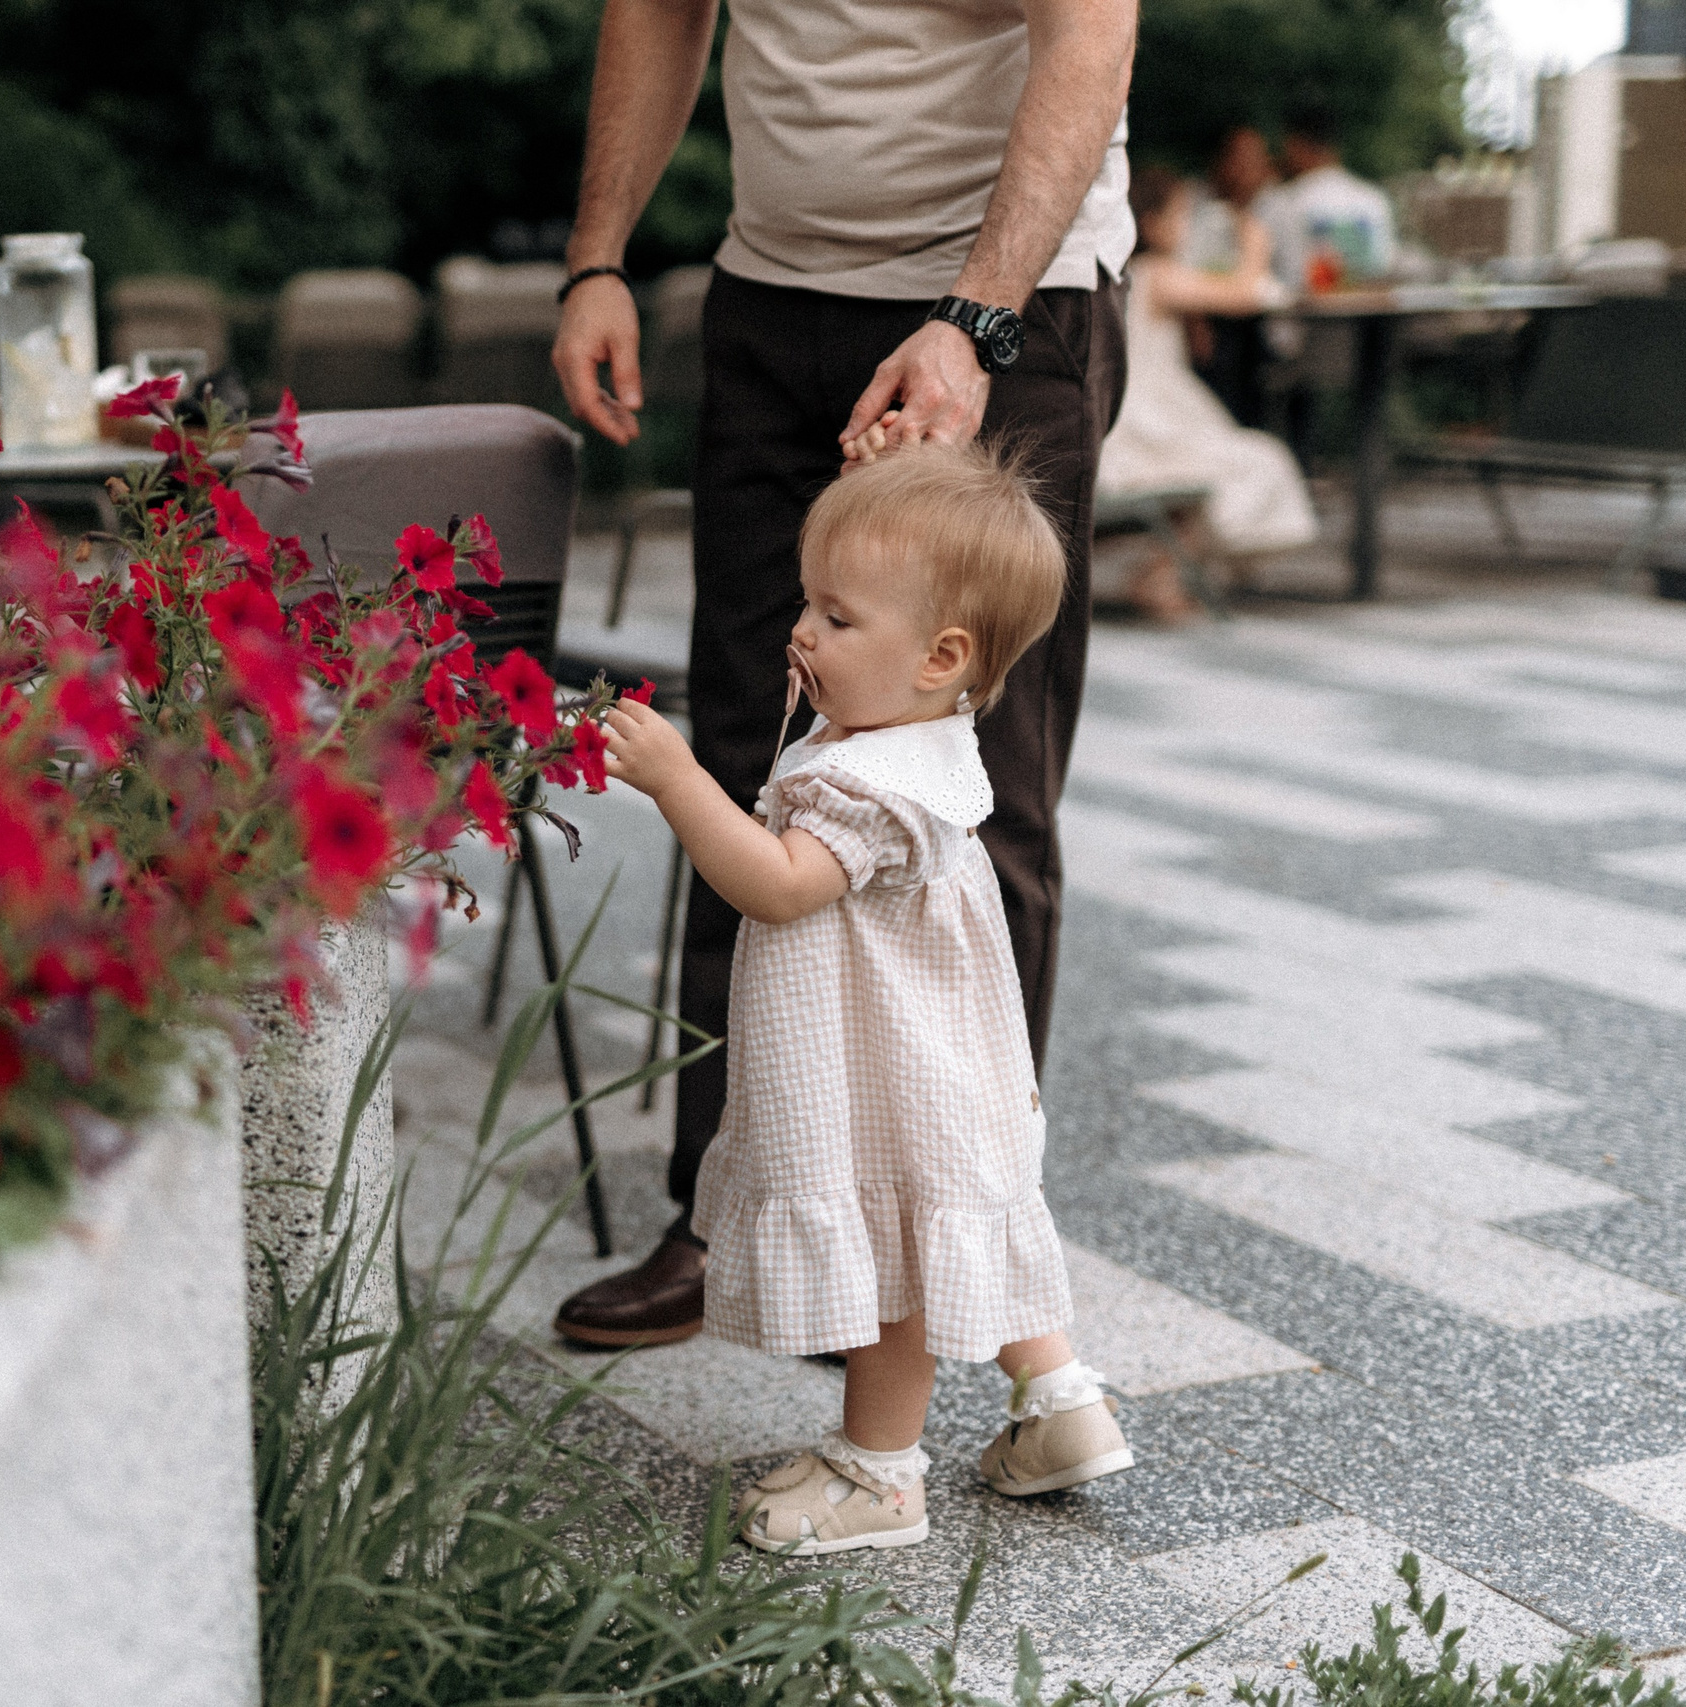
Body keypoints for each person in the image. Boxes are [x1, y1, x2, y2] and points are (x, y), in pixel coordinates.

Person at [547, 0, 1136, 1354]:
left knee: (983, 796)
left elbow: (1089, 37)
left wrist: (975, 320)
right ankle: (726, 1219)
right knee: (746, 763)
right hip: (772, 294)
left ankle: (956, 1253)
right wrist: (597, 258)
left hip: (1007, 300)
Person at [599, 443, 1132, 1551]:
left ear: (941, 657)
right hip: (945, 1061)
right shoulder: (919, 745)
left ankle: (880, 1476)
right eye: (808, 602)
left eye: (837, 618)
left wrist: (678, 781)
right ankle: (1061, 1404)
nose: (801, 631)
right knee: (959, 1219)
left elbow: (780, 885)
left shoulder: (865, 782)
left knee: (898, 1264)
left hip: (884, 1083)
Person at [1097, 166, 1318, 619]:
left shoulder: (1131, 275)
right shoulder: (1156, 272)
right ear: (1153, 224)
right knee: (1255, 462)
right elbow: (1246, 294)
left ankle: (1166, 572)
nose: (1188, 226)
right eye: (1181, 215)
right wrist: (1255, 243)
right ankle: (1163, 574)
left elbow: (1200, 347)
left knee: (1229, 467)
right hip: (1147, 426)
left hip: (1146, 418)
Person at [1184, 126, 1278, 427]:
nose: (1248, 169)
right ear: (1220, 162)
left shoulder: (1273, 206)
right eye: (1241, 159)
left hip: (1265, 325)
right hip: (1212, 321)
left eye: (1256, 160)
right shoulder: (1196, 207)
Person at [1258, 105, 1396, 294]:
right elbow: (1385, 268)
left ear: (1295, 145)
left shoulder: (1282, 202)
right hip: (1368, 309)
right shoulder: (1374, 199)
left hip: (1304, 311)